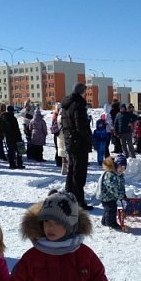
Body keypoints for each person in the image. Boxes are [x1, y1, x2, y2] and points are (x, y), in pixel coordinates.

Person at [6, 190, 110, 281]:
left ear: (70, 225)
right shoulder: (32, 258)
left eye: (57, 222)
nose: (50, 227)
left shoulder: (85, 255)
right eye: (46, 221)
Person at [61, 82, 94, 210]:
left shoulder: (66, 104)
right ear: (81, 91)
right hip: (78, 142)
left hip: (70, 140)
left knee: (71, 169)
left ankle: (69, 195)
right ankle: (79, 201)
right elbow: (81, 127)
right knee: (79, 172)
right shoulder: (78, 105)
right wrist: (89, 139)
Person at [97, 155, 127, 230]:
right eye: (120, 167)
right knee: (112, 209)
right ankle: (111, 223)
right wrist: (120, 195)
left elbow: (121, 185)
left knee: (108, 209)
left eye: (124, 167)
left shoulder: (119, 175)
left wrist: (123, 193)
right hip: (106, 196)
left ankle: (104, 221)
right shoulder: (110, 175)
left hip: (111, 196)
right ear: (116, 165)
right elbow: (113, 188)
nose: (122, 169)